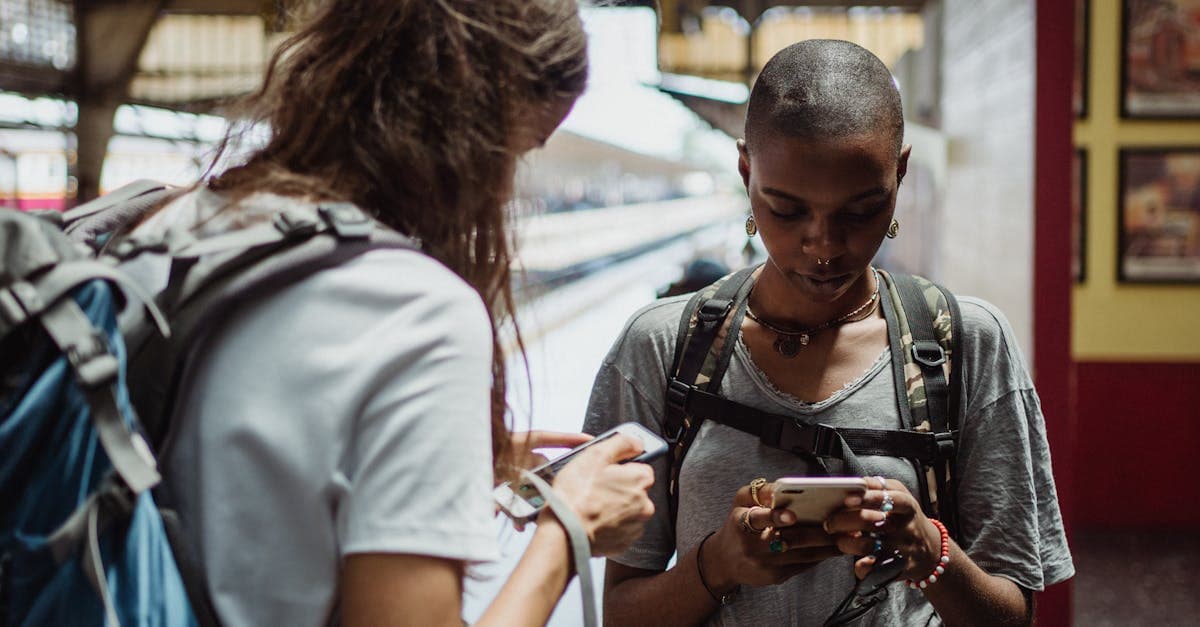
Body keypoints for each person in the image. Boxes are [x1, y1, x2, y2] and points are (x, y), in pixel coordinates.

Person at [119, 1, 655, 626]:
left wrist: (440, 462)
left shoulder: (164, 228)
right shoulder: (418, 313)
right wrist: (569, 530)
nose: (505, 191)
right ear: (465, 125)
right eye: (513, 152)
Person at [584, 40, 1073, 625]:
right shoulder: (663, 348)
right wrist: (718, 564)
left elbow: (1014, 615)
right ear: (746, 171)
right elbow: (619, 613)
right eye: (786, 210)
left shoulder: (964, 344)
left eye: (860, 211)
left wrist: (928, 549)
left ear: (900, 173)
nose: (822, 246)